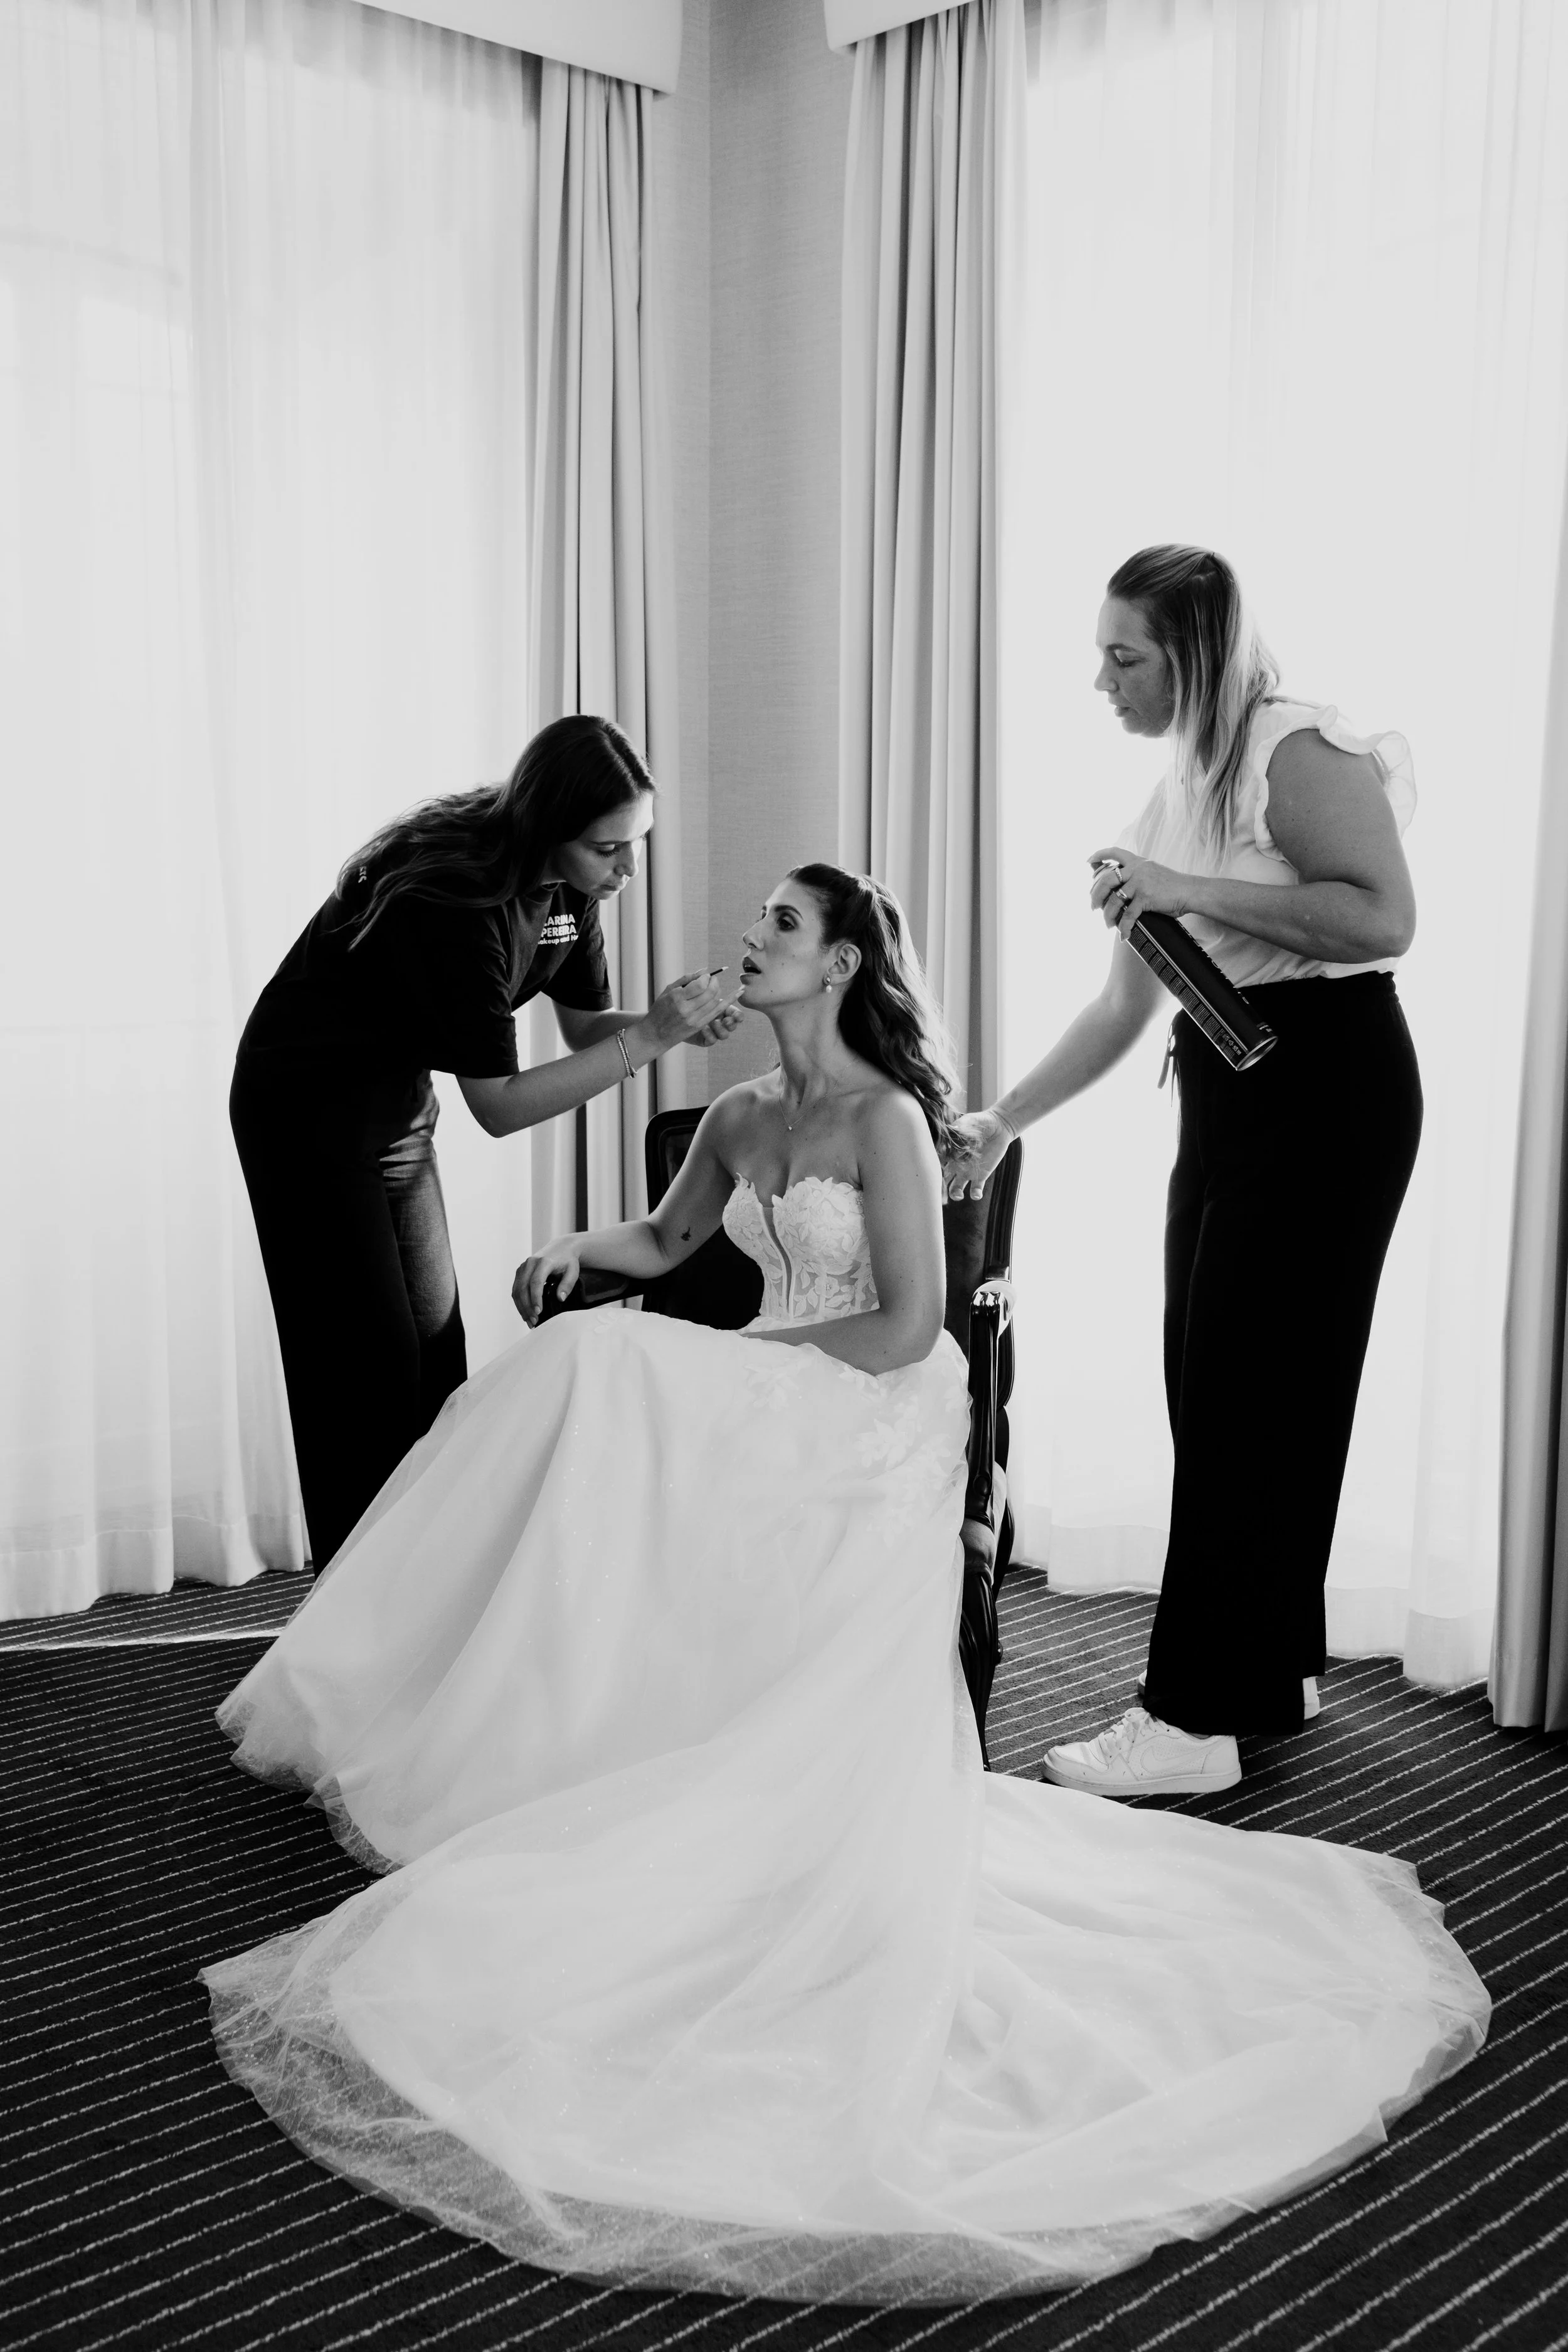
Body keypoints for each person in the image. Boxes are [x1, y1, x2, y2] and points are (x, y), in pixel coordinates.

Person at [203, 862, 1485, 2306]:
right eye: (757, 921)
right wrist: (573, 1252)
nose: (752, 939)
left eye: (784, 928)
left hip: (869, 1405)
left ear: (847, 963)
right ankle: (529, 1701)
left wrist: (723, 1366)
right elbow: (668, 1246)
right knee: (585, 1355)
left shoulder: (887, 1119)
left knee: (624, 1373)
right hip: (761, 1385)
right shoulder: (741, 1114)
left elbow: (901, 1328)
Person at [944, 546, 1422, 1799]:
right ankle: (1262, 1667)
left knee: (1249, 1392)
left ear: (1194, 651)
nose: (1100, 682)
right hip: (1226, 1091)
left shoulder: (1291, 746)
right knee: (1218, 1385)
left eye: (1124, 655)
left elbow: (1380, 920)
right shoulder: (1173, 792)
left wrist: (1176, 887)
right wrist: (1000, 1119)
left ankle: (1191, 1720)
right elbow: (1118, 1010)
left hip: (1326, 1088)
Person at [230, 714, 736, 1572]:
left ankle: (417, 1601)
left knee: (436, 1362)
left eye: (638, 843)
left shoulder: (573, 893)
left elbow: (583, 1032)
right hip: (304, 1115)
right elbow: (498, 1106)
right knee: (364, 1380)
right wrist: (648, 1038)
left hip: (397, 1110)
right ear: (550, 830)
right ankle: (352, 1623)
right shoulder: (453, 901)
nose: (630, 869)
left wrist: (668, 1030)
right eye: (611, 849)